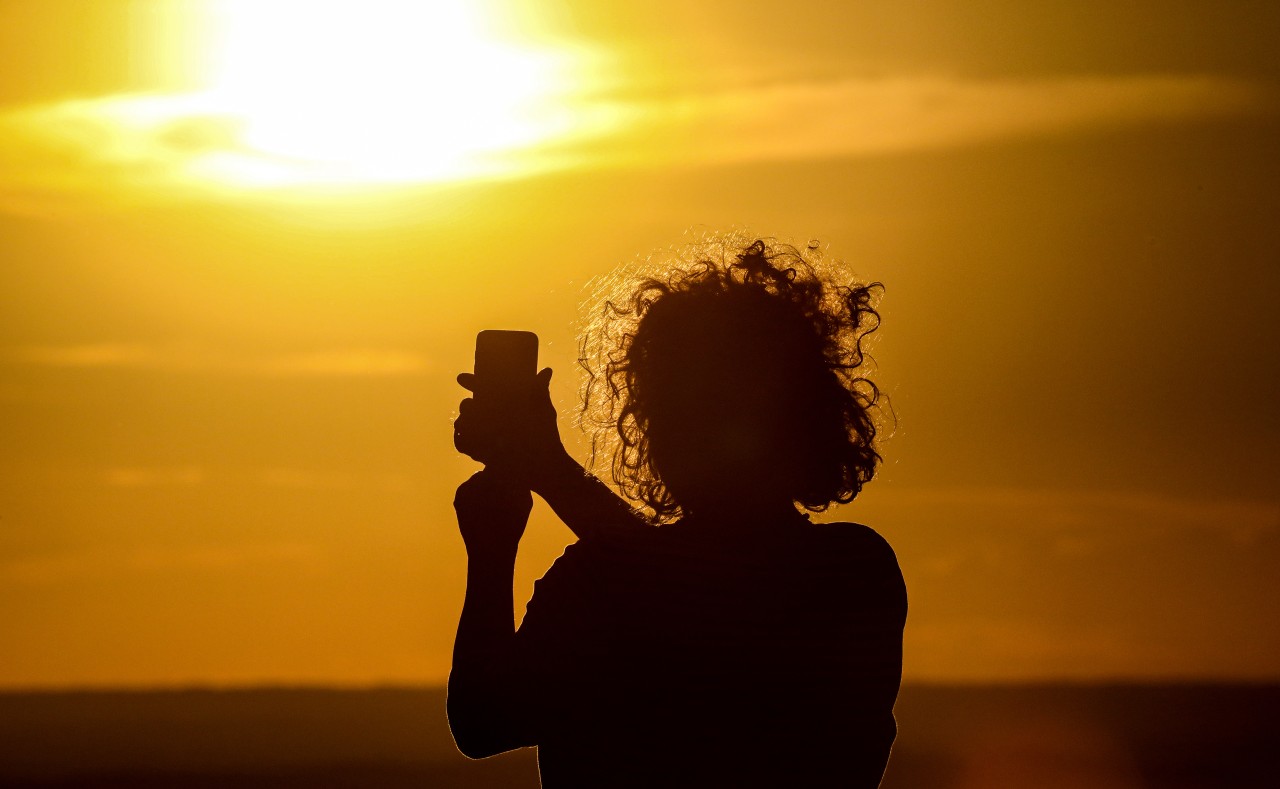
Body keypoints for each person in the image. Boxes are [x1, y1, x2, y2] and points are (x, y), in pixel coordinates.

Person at [448, 238, 906, 787]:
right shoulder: (857, 573)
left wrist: (493, 549)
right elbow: (702, 590)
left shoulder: (600, 581)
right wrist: (550, 470)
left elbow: (483, 723)